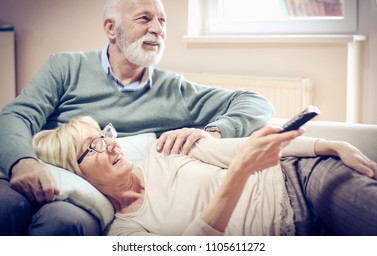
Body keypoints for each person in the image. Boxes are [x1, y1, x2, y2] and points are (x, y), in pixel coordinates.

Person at [0, 0, 275, 236]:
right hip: (32, 166)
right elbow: (16, 115)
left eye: (162, 20)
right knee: (7, 207)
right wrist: (21, 163)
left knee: (62, 223)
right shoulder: (65, 67)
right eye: (145, 18)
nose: (158, 28)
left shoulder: (174, 90)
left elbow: (256, 102)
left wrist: (214, 132)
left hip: (86, 190)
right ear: (111, 28)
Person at [32, 116, 377, 235]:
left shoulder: (160, 152)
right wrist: (238, 175)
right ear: (75, 173)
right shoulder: (126, 231)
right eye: (93, 147)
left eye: (104, 134)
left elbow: (241, 150)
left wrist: (330, 145)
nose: (110, 145)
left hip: (302, 179)